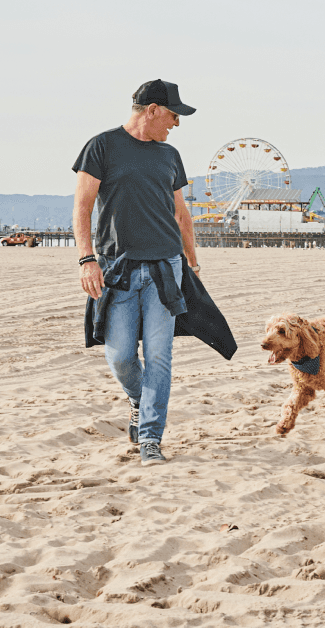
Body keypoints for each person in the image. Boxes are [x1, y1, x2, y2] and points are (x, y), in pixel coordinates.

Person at [72, 79, 202, 467]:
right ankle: (138, 399)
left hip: (166, 266)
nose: (176, 125)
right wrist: (86, 259)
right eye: (173, 116)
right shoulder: (101, 147)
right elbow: (81, 209)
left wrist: (192, 265)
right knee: (122, 357)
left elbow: (182, 215)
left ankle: (149, 438)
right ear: (152, 110)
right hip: (118, 269)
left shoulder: (170, 155)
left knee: (160, 357)